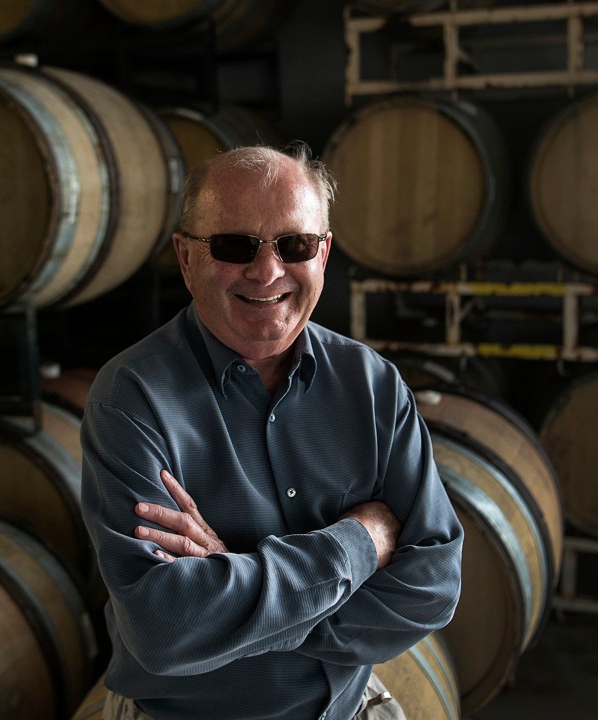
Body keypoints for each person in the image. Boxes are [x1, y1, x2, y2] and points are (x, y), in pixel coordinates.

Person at [79, 143, 464, 720]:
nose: (267, 270)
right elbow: (162, 630)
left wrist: (231, 594)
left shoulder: (373, 384)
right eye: (235, 246)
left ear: (324, 253)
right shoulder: (131, 398)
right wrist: (360, 543)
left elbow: (433, 586)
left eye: (295, 245)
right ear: (186, 259)